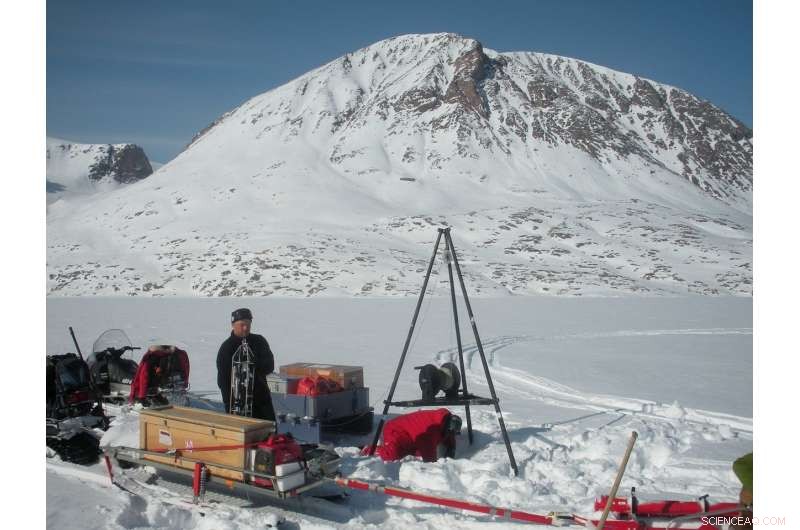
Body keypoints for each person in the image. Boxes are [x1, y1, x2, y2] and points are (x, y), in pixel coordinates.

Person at [216, 308, 276, 421]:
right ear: (233, 325)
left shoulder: (259, 341)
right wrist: (229, 406)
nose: (246, 328)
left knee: (269, 433)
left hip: (262, 401)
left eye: (248, 324)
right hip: (238, 405)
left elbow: (270, 365)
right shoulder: (227, 348)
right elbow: (223, 380)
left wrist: (254, 364)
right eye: (242, 324)